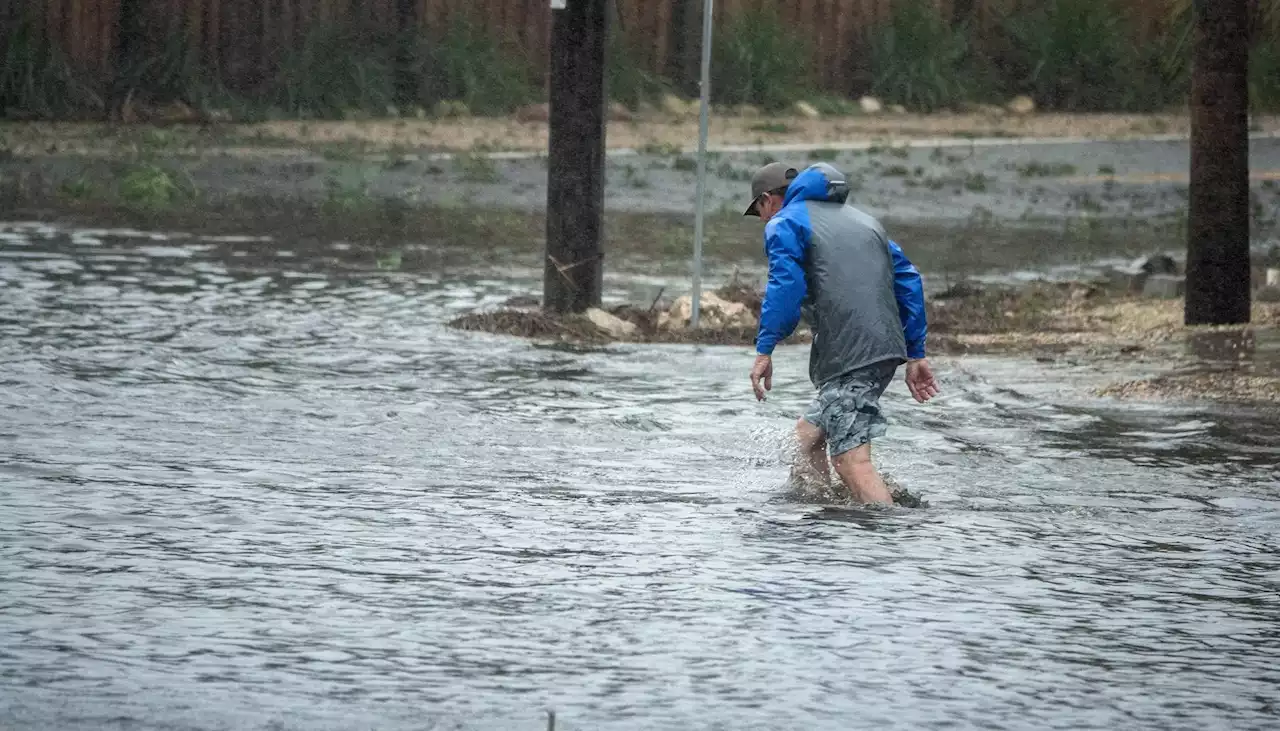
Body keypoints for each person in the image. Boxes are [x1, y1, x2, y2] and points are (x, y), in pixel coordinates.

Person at [742, 161, 940, 506]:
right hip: (880, 350)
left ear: (767, 200)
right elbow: (909, 279)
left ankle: (889, 530)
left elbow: (784, 288)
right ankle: (828, 512)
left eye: (758, 210)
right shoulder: (866, 223)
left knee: (851, 460)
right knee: (806, 440)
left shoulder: (784, 222)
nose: (762, 219)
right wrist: (915, 352)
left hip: (853, 354)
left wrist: (765, 348)